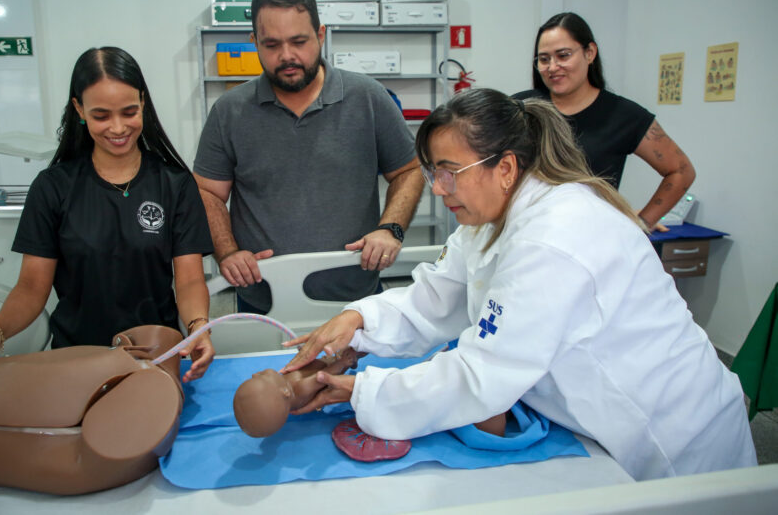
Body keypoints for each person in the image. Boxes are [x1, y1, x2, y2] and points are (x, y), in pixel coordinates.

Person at [280, 88, 756, 481]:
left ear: (505, 168)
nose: (438, 188)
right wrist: (358, 319)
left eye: (449, 172)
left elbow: (483, 375)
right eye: (432, 173)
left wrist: (361, 393)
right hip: (598, 415)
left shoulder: (556, 236)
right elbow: (433, 299)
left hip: (672, 439)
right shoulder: (488, 218)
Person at [0, 47, 215, 383]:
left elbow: (189, 280)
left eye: (129, 112)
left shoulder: (174, 184)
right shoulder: (53, 187)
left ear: (143, 103)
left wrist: (198, 326)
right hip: (75, 361)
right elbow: (30, 288)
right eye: (101, 116)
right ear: (79, 109)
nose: (117, 128)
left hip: (154, 357)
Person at [193, 0, 424, 314]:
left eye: (299, 41)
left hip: (355, 297)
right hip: (264, 301)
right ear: (254, 42)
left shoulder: (368, 98)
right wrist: (227, 252)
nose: (287, 56)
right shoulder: (229, 111)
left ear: (320, 35)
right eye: (271, 45)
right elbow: (208, 192)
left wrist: (390, 229)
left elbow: (410, 169)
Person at [513, 12, 695, 230]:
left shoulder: (625, 116)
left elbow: (682, 171)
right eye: (544, 59)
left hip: (591, 240)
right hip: (525, 233)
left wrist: (641, 223)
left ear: (590, 53)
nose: (552, 67)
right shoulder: (521, 107)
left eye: (563, 55)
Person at [233, 347, 361, 437]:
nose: (254, 373)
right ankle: (351, 362)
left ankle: (351, 361)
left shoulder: (284, 391)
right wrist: (341, 363)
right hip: (329, 368)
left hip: (318, 366)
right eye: (262, 377)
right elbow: (324, 376)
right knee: (349, 355)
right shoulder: (301, 387)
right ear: (284, 391)